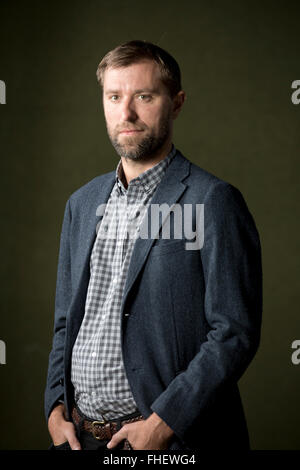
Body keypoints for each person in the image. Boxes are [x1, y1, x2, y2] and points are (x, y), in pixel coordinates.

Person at [45, 40, 262, 451]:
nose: (125, 113)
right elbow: (64, 323)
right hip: (80, 439)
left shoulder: (212, 200)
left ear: (176, 103)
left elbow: (234, 332)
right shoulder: (82, 203)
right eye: (114, 97)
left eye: (144, 97)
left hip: (168, 441)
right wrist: (55, 407)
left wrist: (164, 424)